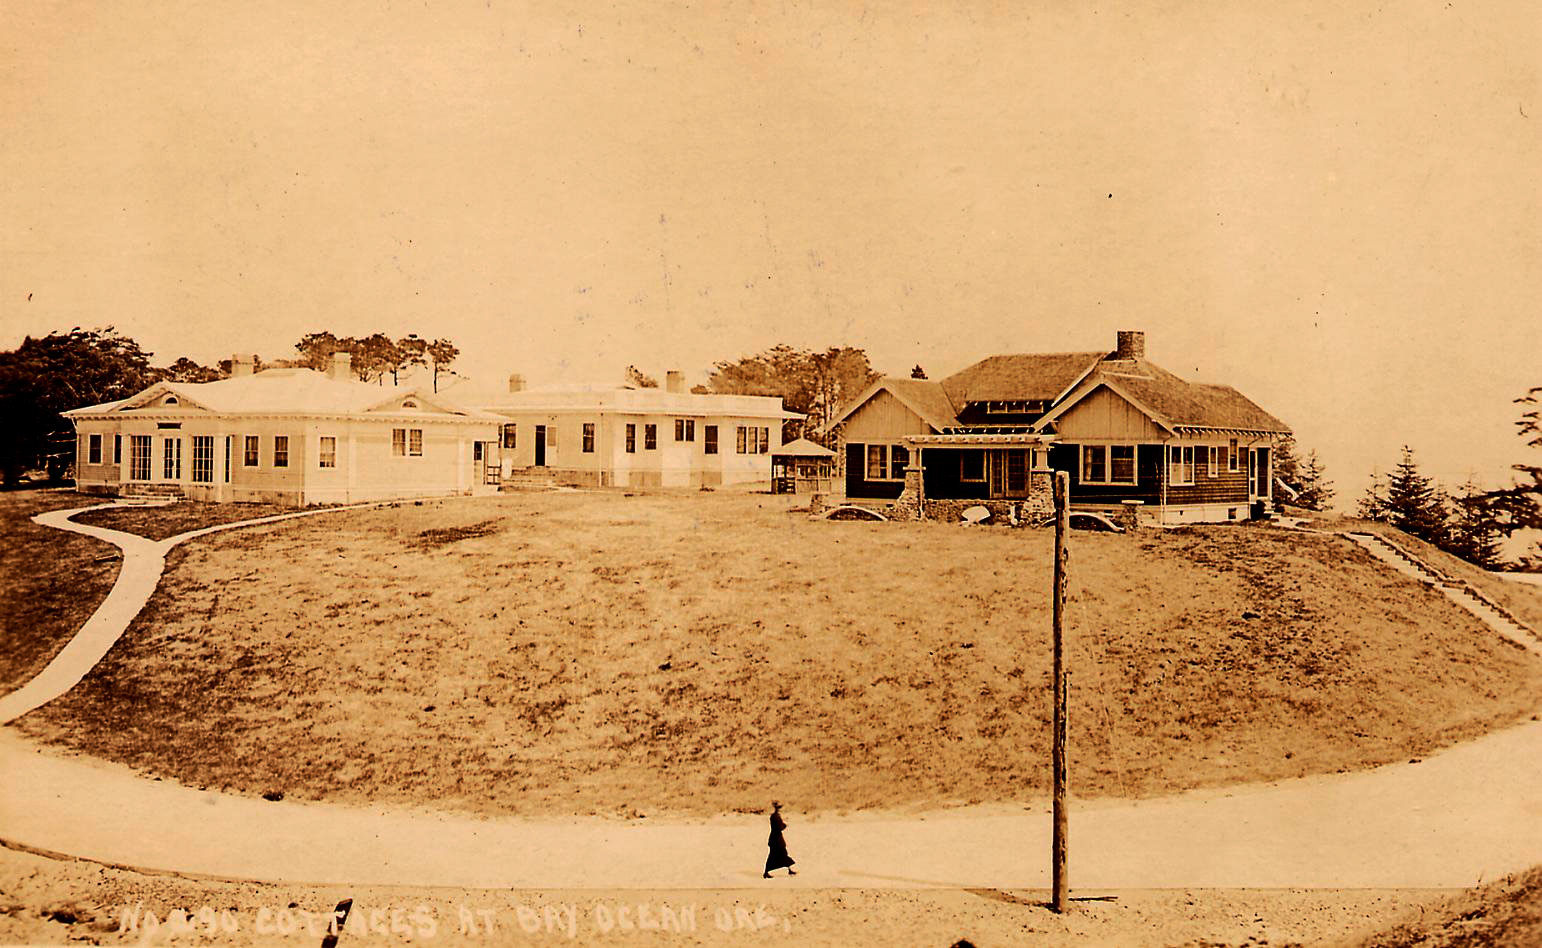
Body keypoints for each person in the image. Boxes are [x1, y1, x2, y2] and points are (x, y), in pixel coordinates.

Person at [763, 801, 796, 878]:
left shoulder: (774, 816)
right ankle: (766, 872)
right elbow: (779, 827)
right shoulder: (776, 817)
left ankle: (789, 870)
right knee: (777, 855)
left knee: (781, 854)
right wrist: (784, 825)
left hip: (775, 839)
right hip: (776, 840)